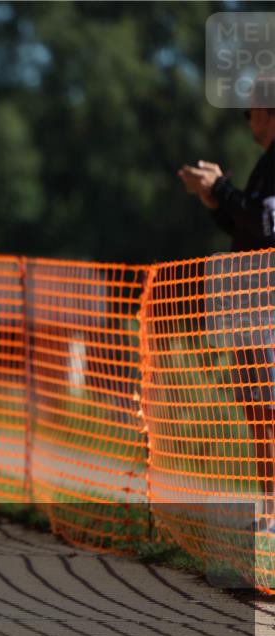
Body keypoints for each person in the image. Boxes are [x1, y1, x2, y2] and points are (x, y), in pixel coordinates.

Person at [178, 88, 275, 533]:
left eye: (251, 107)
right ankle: (272, 509)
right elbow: (250, 223)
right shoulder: (267, 162)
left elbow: (266, 222)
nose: (246, 115)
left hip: (266, 311)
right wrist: (215, 198)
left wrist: (221, 188)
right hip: (255, 311)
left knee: (268, 409)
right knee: (259, 410)